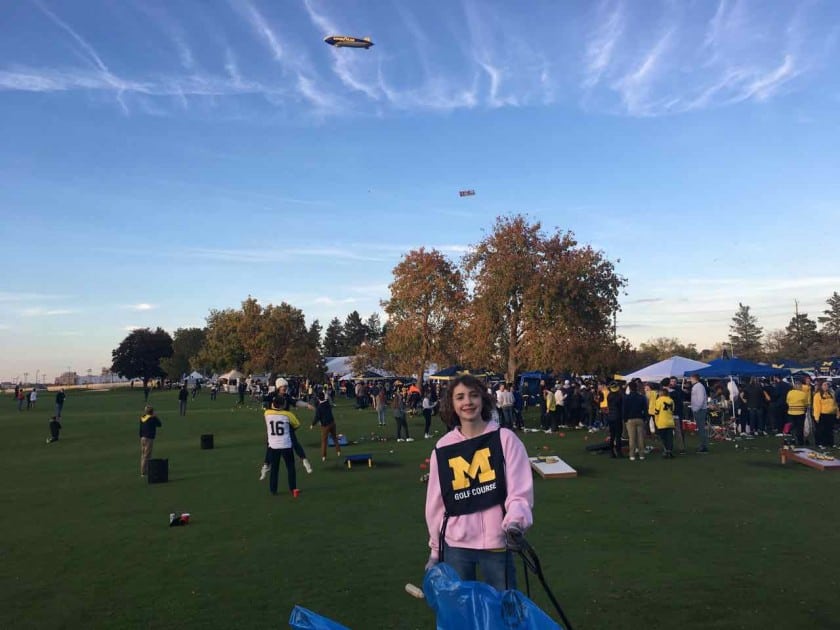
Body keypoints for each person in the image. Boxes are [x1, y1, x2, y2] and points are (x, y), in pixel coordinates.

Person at [424, 374, 533, 592]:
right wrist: (436, 550)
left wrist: (515, 522)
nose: (468, 402)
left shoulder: (505, 439)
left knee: (503, 607)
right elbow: (436, 503)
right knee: (461, 608)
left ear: (483, 399)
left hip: (497, 544)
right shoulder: (443, 448)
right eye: (460, 397)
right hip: (456, 546)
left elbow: (519, 491)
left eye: (473, 395)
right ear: (452, 404)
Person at [259, 378, 314, 479]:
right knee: (269, 445)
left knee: (294, 442)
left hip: (286, 423)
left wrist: (306, 405)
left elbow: (296, 402)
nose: (285, 388)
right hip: (274, 424)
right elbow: (264, 400)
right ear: (278, 387)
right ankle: (266, 465)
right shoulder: (272, 395)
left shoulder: (287, 397)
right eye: (283, 386)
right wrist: (260, 398)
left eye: (285, 386)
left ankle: (304, 460)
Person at [263, 395, 300, 497]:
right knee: (290, 467)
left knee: (274, 469)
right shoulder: (288, 415)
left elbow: (271, 408)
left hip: (273, 446)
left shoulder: (267, 413)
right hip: (286, 444)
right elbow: (297, 425)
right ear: (282, 405)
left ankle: (273, 489)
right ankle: (293, 488)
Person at [310, 390, 340, 461]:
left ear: (318, 398)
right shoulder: (327, 403)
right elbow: (327, 400)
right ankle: (338, 451)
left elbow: (317, 417)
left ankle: (323, 456)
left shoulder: (319, 407)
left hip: (325, 425)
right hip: (332, 423)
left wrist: (312, 424)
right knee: (334, 437)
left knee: (324, 441)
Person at [622, 381, 647, 460]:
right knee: (640, 438)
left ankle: (632, 455)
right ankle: (641, 454)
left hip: (630, 419)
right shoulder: (642, 397)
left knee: (632, 438)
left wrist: (625, 419)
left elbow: (624, 410)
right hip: (640, 418)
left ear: (629, 388)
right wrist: (645, 418)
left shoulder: (626, 398)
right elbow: (645, 409)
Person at [139, 404, 162, 478]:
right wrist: (155, 417)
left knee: (143, 454)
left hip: (142, 437)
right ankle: (144, 472)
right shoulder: (152, 419)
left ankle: (144, 470)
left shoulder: (143, 417)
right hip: (149, 438)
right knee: (147, 455)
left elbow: (140, 428)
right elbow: (159, 424)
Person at [812, 380, 837, 448]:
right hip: (822, 415)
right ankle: (820, 443)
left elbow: (834, 404)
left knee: (830, 430)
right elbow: (816, 407)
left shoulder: (831, 394)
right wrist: (817, 417)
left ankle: (830, 443)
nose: (826, 386)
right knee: (821, 430)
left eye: (827, 385)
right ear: (821, 386)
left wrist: (837, 413)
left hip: (831, 414)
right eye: (824, 385)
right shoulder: (817, 395)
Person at [655, 379, 676, 458]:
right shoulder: (671, 400)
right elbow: (673, 410)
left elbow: (656, 411)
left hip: (661, 422)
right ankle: (670, 451)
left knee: (663, 438)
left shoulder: (659, 400)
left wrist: (656, 421)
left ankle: (666, 451)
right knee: (669, 438)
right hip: (670, 422)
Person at [690, 374, 709, 453]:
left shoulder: (699, 386)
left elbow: (701, 399)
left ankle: (704, 446)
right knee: (700, 428)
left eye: (691, 379)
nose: (690, 380)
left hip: (700, 410)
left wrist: (696, 409)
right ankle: (702, 444)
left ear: (694, 378)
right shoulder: (697, 386)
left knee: (701, 429)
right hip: (698, 409)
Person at [606, 381, 624, 458]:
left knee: (612, 435)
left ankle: (611, 452)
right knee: (618, 435)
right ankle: (619, 452)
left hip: (610, 416)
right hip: (617, 417)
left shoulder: (609, 395)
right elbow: (621, 406)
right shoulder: (619, 396)